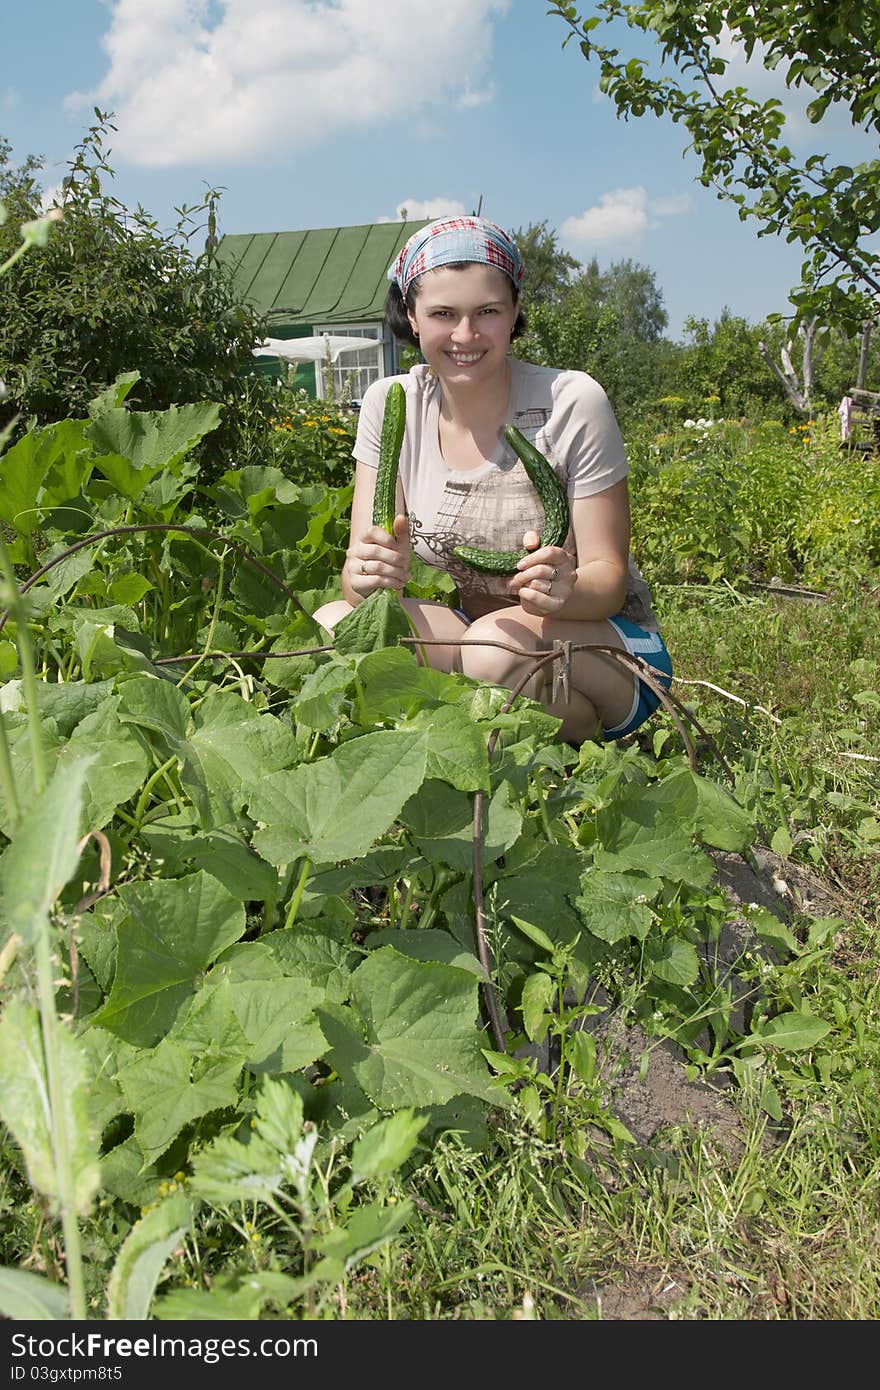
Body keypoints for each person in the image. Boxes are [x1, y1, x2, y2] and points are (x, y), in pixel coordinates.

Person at [312, 215, 671, 746]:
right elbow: (360, 586)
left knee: (490, 651)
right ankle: (455, 745)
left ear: (515, 312)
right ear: (411, 316)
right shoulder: (391, 405)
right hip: (477, 632)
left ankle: (587, 755)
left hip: (605, 645)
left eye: (487, 312)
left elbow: (608, 580)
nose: (465, 335)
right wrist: (366, 574)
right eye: (442, 314)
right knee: (333, 624)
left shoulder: (572, 402)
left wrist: (565, 589)